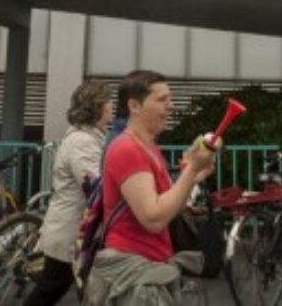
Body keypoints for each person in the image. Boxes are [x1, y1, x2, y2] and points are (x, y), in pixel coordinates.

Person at [83, 71, 218, 304]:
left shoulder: (149, 147)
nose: (171, 106)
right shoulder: (127, 149)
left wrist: (192, 175)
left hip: (149, 271)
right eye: (162, 100)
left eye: (170, 99)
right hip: (132, 279)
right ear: (134, 106)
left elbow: (167, 209)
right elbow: (153, 218)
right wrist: (190, 171)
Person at [25, 81, 113, 305]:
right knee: (49, 291)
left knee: (56, 290)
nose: (112, 106)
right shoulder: (82, 142)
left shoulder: (90, 137)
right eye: (108, 101)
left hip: (74, 232)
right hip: (70, 233)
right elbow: (94, 186)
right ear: (97, 107)